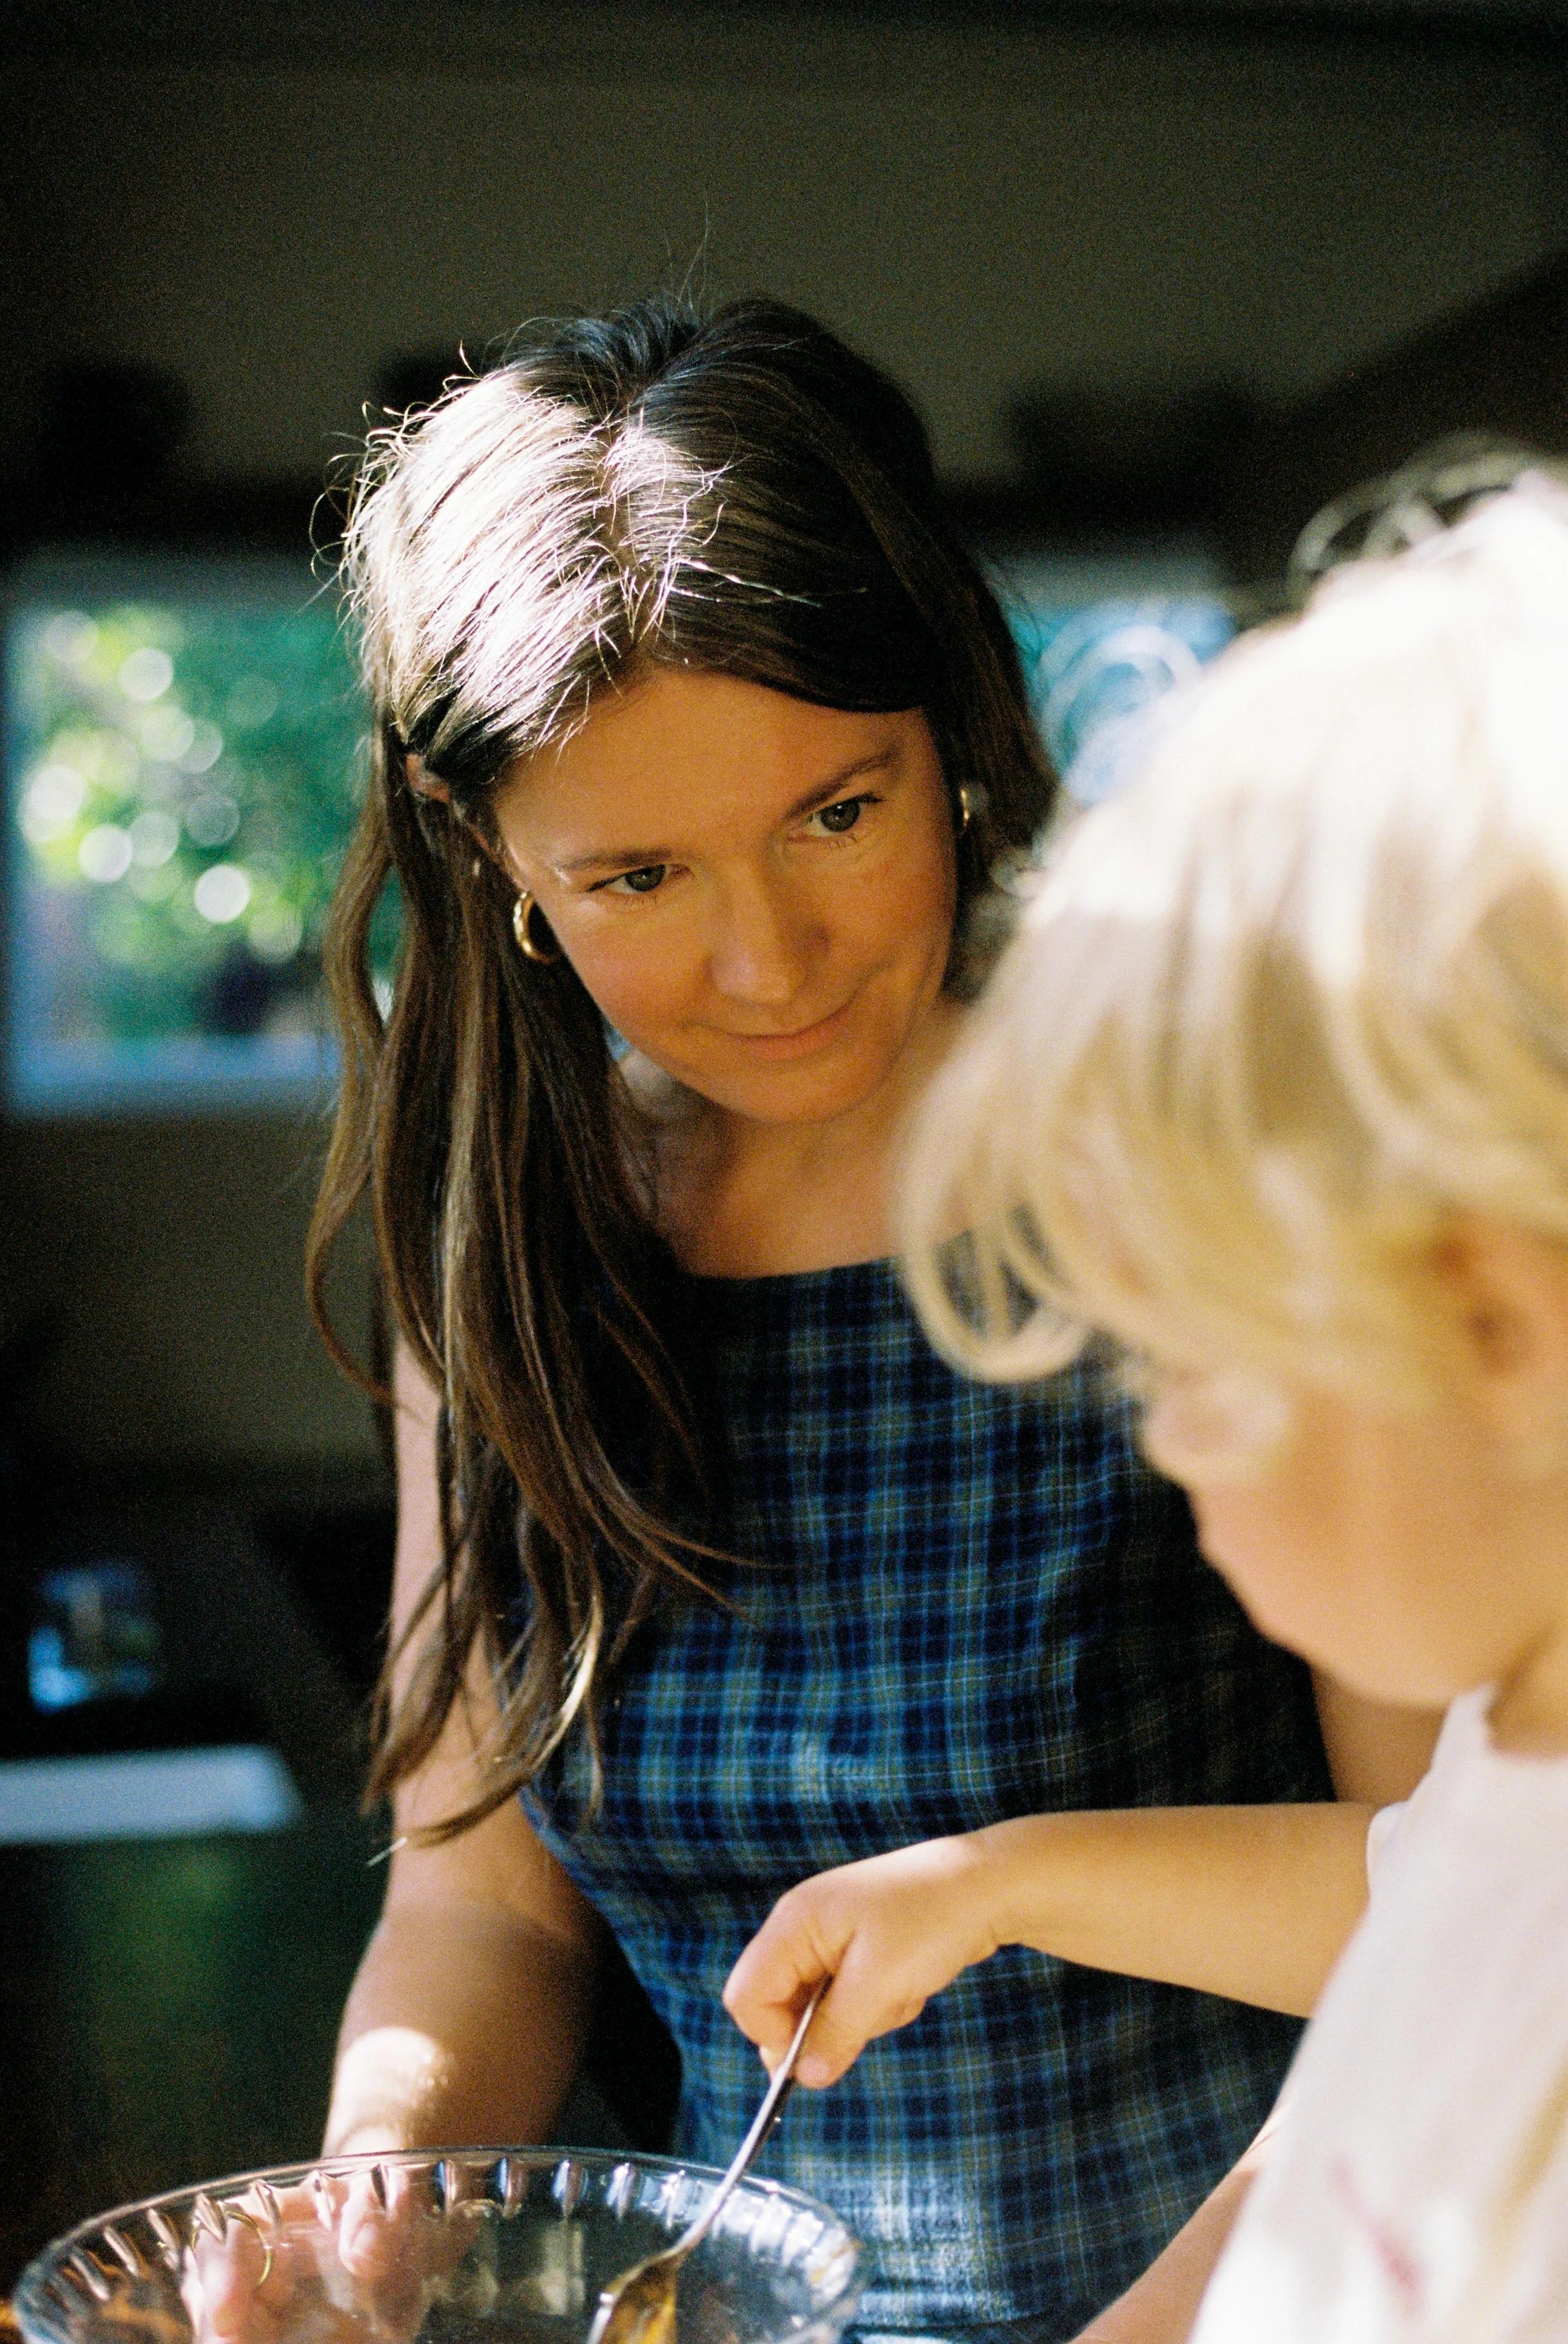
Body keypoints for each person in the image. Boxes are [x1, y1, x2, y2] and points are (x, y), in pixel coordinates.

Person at [302, 295, 1433, 2344]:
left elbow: (1465, 1922)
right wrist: (369, 2221)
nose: (770, 961)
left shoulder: (1215, 1176)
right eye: (638, 876)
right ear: (496, 865)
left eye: (838, 812)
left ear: (956, 739)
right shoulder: (502, 1255)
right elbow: (479, 1906)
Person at [799, 472, 1568, 2339]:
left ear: (1500, 1330)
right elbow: (1412, 1907)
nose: (1158, 1444)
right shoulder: (1509, 1755)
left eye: (1197, 1369)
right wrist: (992, 1885)